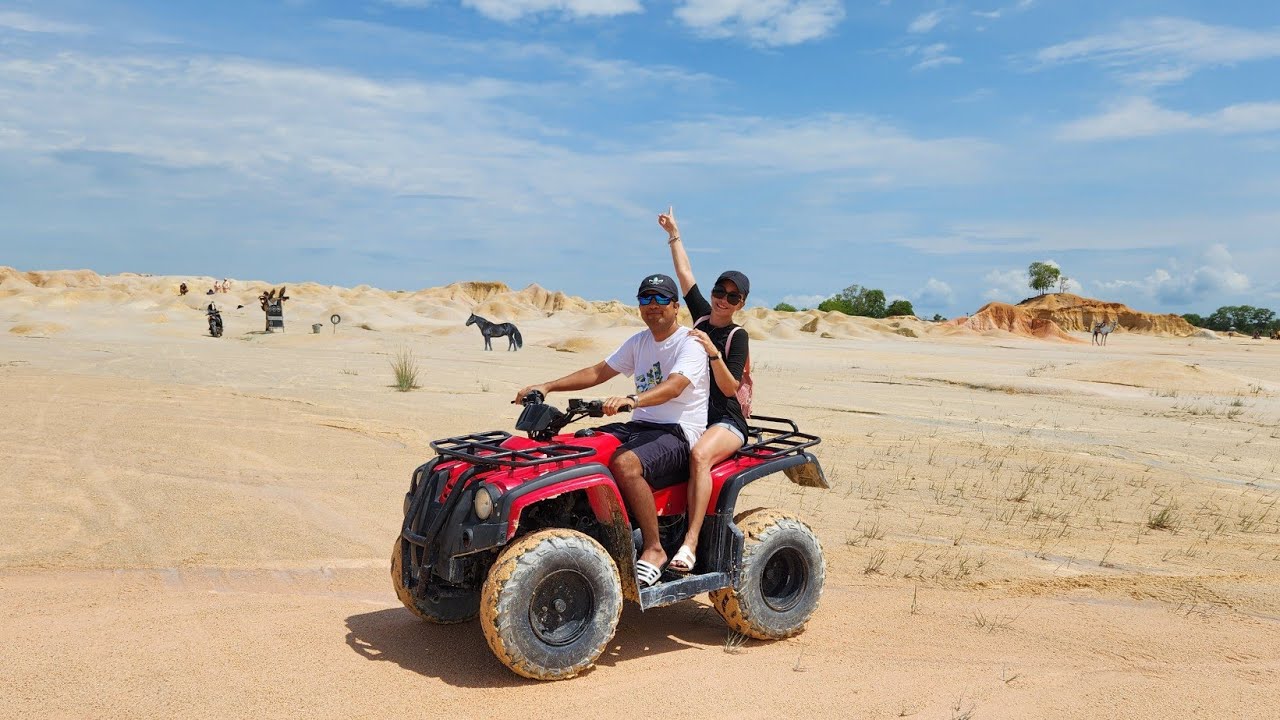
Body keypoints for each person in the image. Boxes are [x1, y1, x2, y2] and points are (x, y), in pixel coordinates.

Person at [514, 273, 709, 587]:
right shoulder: (639, 342)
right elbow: (597, 372)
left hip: (678, 432)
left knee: (625, 464)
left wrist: (632, 400)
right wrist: (548, 386)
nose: (653, 306)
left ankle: (654, 548)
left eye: (661, 299)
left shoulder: (690, 344)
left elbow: (674, 387)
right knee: (580, 447)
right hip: (641, 426)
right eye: (646, 298)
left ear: (676, 306)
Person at [657, 206, 751, 574]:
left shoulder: (735, 335)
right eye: (719, 291)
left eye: (732, 296)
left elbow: (730, 388)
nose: (722, 299)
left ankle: (690, 544)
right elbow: (684, 274)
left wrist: (713, 353)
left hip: (726, 421)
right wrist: (674, 234)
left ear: (741, 303)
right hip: (693, 413)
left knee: (698, 457)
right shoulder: (699, 315)